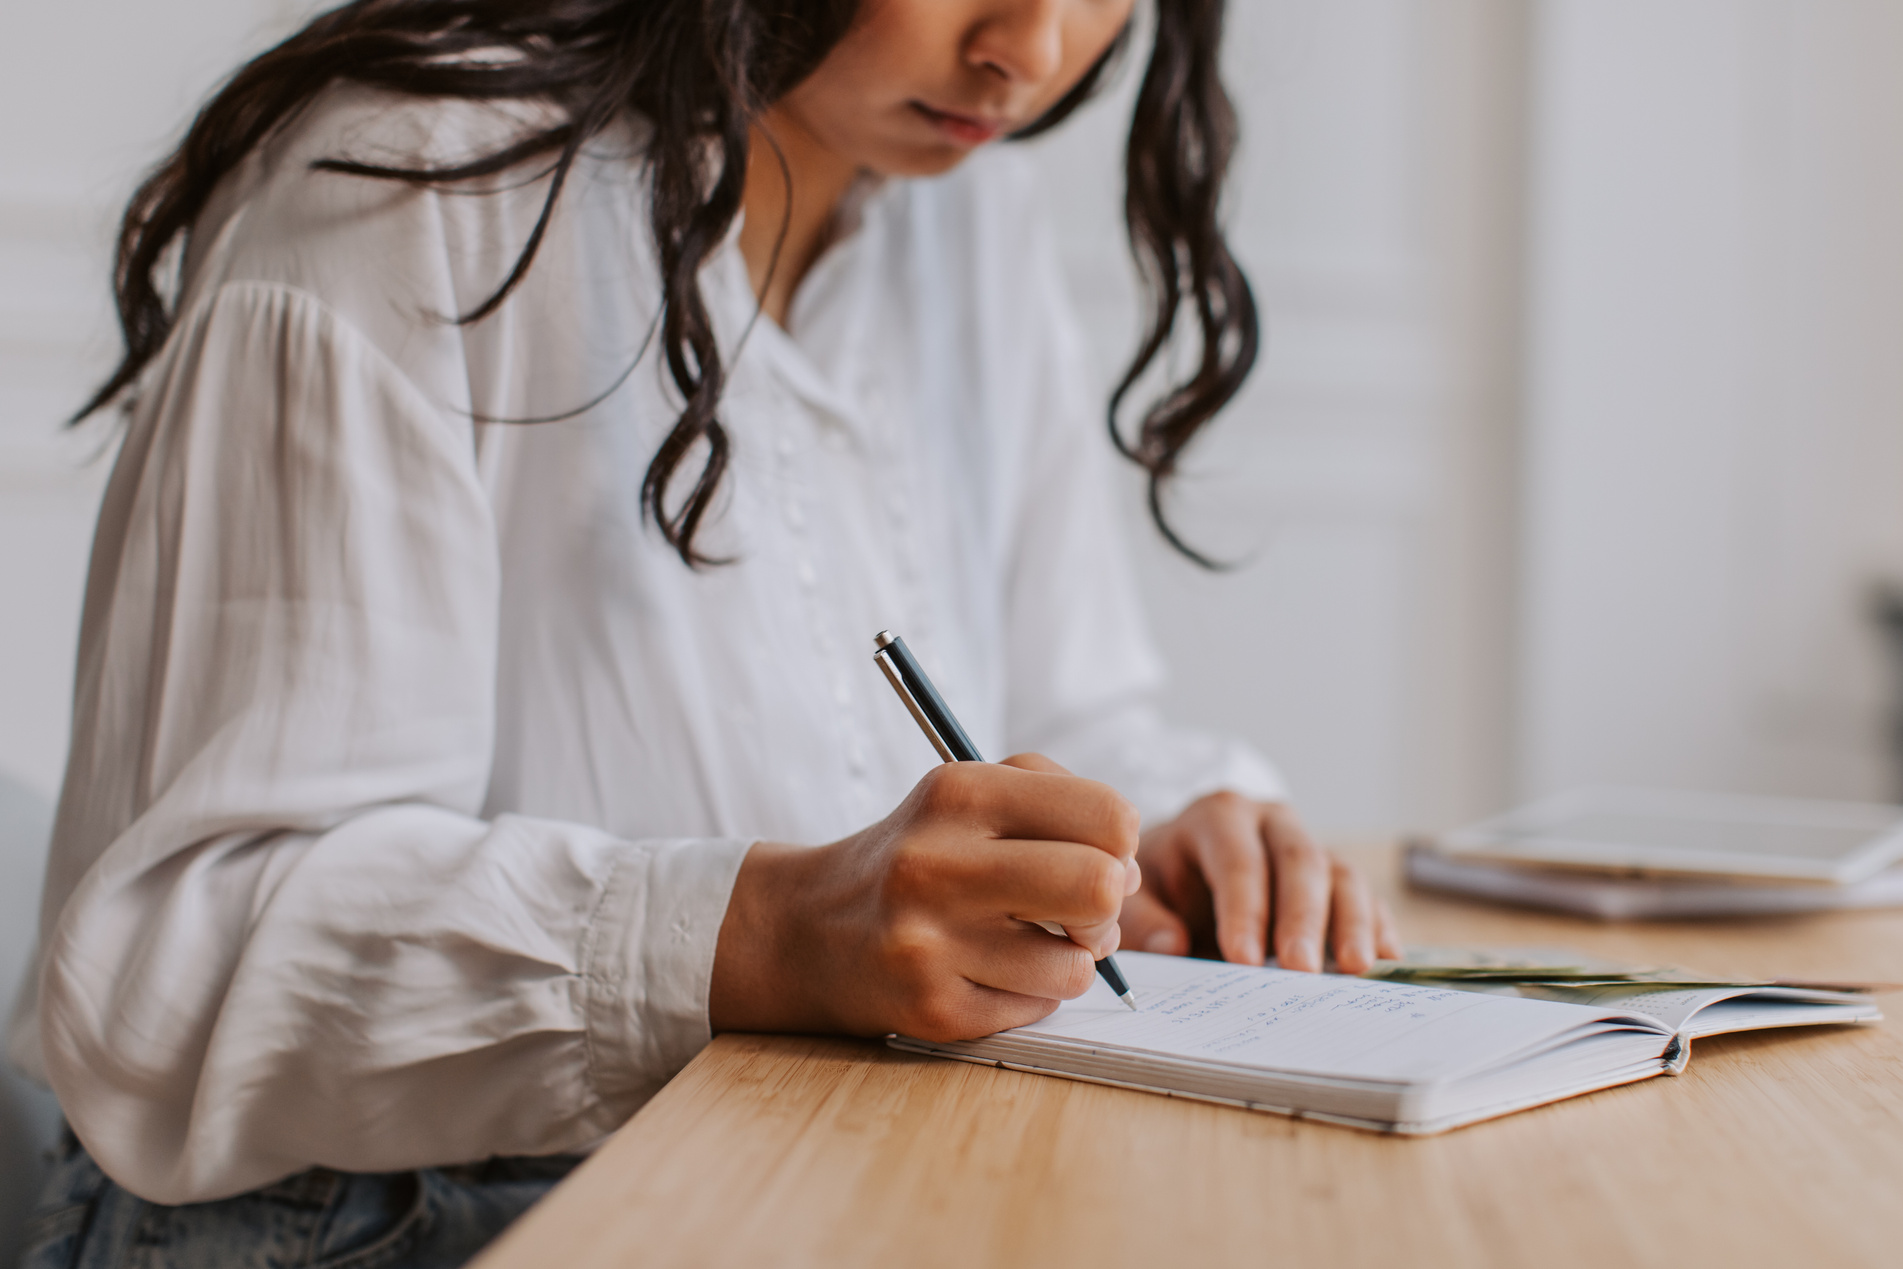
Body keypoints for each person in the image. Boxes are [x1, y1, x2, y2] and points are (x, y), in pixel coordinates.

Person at [12, 0, 1401, 1264]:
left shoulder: (961, 212)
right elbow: (171, 965)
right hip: (368, 1223)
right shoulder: (414, 183)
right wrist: (763, 935)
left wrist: (1157, 826)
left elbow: (1065, 698)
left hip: (786, 1174)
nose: (1027, 53)